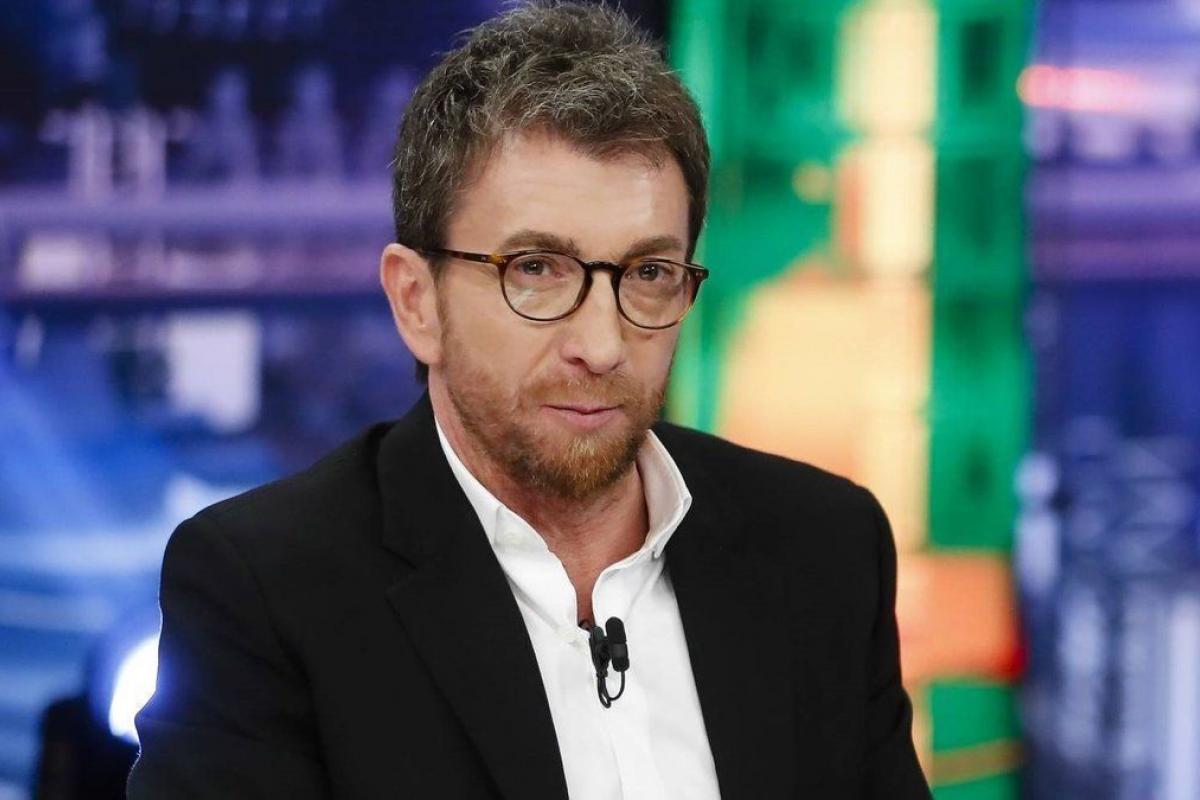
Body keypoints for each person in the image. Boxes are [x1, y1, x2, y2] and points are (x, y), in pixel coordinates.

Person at [126, 3, 931, 798]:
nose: (602, 343)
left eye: (649, 274)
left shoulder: (824, 548)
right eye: (537, 270)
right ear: (417, 301)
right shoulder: (265, 590)